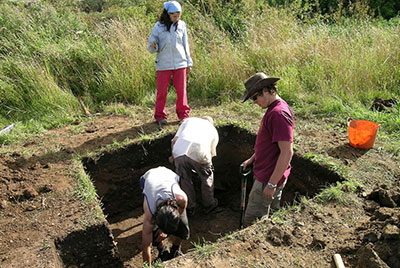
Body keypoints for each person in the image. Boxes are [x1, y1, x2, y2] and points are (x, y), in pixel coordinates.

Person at [240, 72, 295, 227]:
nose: (254, 102)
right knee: (270, 215)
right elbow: (269, 144)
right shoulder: (274, 109)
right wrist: (252, 159)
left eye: (254, 98)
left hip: (268, 178)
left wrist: (271, 184)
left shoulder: (278, 115)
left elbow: (287, 152)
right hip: (267, 174)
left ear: (265, 91)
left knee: (252, 222)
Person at [148, 1, 193, 127]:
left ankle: (183, 115)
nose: (176, 17)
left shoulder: (182, 25)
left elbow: (185, 45)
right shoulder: (158, 27)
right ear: (167, 14)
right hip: (163, 63)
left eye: (178, 14)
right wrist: (154, 46)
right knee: (162, 91)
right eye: (174, 15)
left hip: (180, 62)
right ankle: (160, 116)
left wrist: (188, 62)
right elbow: (151, 47)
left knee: (181, 90)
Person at [169, 116, 219, 216]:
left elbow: (174, 141)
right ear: (211, 123)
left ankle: (190, 206)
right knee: (207, 178)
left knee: (184, 180)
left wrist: (173, 156)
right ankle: (209, 205)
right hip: (199, 152)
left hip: (179, 151)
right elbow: (211, 153)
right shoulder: (212, 129)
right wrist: (201, 168)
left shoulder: (188, 121)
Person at [141, 166, 189, 266]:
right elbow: (146, 246)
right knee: (154, 234)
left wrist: (165, 230)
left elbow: (183, 206)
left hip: (167, 175)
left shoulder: (181, 198)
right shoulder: (150, 214)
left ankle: (175, 250)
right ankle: (162, 250)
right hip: (149, 177)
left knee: (183, 225)